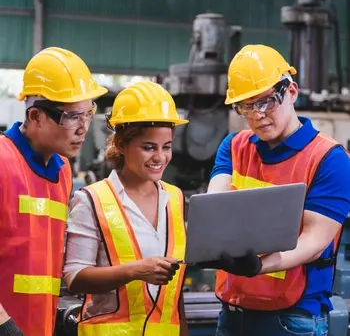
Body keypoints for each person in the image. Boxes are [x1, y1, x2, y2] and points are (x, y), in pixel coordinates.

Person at [198, 44, 350, 336]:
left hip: (292, 317)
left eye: (266, 101)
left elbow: (313, 242)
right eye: (246, 105)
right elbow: (216, 206)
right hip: (233, 311)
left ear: (291, 92)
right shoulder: (233, 146)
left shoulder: (330, 159)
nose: (257, 115)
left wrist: (258, 266)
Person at [63, 81, 189, 336]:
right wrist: (135, 270)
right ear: (121, 144)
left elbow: (176, 294)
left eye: (166, 147)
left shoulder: (174, 198)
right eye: (148, 147)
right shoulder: (91, 199)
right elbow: (74, 277)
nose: (160, 157)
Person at [0, 47, 108, 336]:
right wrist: (4, 326)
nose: (83, 128)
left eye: (88, 114)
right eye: (71, 117)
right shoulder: (2, 161)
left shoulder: (62, 171)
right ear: (35, 115)